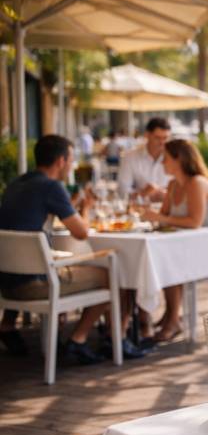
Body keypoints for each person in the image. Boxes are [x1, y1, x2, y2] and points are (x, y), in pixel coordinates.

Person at [0, 135, 143, 362]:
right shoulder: (51, 187)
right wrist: (85, 208)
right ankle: (78, 339)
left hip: (6, 283)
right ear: (61, 161)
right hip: (34, 285)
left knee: (43, 260)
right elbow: (81, 232)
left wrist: (73, 203)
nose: (72, 165)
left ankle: (8, 324)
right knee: (112, 275)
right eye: (71, 159)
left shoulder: (16, 184)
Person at [141, 139, 208, 342]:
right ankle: (165, 317)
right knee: (157, 258)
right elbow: (164, 217)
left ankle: (172, 320)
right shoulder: (172, 185)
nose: (162, 163)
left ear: (179, 159)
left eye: (166, 158)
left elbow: (194, 222)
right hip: (183, 246)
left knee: (168, 261)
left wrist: (159, 217)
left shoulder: (197, 183)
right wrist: (151, 212)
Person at [117, 117, 172, 200]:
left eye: (165, 138)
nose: (162, 142)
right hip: (139, 206)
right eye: (157, 138)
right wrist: (143, 193)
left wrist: (165, 194)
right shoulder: (130, 157)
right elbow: (122, 191)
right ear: (147, 135)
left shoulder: (174, 159)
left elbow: (182, 189)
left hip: (168, 206)